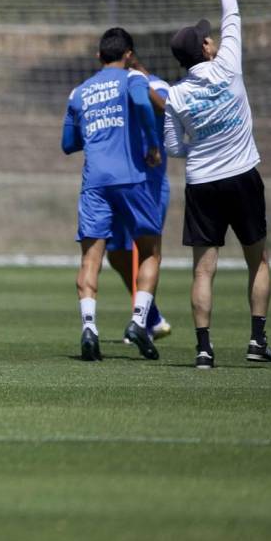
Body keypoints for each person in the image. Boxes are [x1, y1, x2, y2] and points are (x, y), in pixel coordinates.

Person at [163, 0, 271, 370]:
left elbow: (174, 146)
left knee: (203, 269)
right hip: (243, 176)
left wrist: (201, 138)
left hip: (202, 184)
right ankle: (256, 341)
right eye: (205, 38)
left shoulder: (175, 96)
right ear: (205, 49)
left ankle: (204, 349)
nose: (211, 39)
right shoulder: (228, 65)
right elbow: (233, 13)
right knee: (257, 260)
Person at [62, 27, 163, 362]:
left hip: (95, 182)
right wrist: (151, 143)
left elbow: (68, 144)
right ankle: (139, 321)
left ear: (98, 56)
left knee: (90, 259)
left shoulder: (79, 91)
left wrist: (96, 131)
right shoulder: (133, 78)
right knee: (150, 251)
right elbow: (142, 102)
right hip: (131, 178)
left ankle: (89, 327)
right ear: (129, 55)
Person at [107, 47, 173, 344]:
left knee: (146, 251)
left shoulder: (157, 85)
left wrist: (141, 86)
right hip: (121, 184)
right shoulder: (114, 90)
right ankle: (153, 317)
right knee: (116, 253)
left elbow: (165, 109)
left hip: (150, 185)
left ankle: (142, 321)